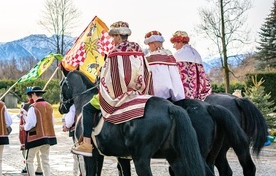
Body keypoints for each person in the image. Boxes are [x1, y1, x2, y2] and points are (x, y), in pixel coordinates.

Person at [72, 21, 153, 157]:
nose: (112, 40)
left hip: (118, 94)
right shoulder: (138, 49)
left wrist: (102, 82)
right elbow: (146, 71)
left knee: (87, 108)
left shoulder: (114, 52)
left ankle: (86, 143)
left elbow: (109, 79)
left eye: (113, 37)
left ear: (118, 36)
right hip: (138, 92)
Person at [23, 86, 57, 176]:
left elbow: (31, 123)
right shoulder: (49, 106)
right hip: (48, 136)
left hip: (35, 137)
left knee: (29, 160)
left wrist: (24, 127)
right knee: (45, 161)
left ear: (33, 95)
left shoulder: (33, 107)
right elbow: (52, 122)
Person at [170, 30, 212, 100]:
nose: (174, 46)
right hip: (200, 94)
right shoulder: (195, 53)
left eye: (175, 43)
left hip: (185, 95)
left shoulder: (178, 55)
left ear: (180, 42)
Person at [144, 30, 185, 101]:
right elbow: (175, 79)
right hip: (171, 97)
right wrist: (178, 97)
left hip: (154, 97)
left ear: (154, 44)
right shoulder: (170, 55)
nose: (149, 47)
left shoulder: (149, 58)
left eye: (149, 44)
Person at [19, 88, 43, 175]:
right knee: (38, 150)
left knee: (27, 150)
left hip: (28, 130)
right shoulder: (41, 105)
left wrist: (23, 128)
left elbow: (24, 119)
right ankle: (40, 167)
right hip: (41, 131)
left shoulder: (26, 106)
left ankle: (27, 166)